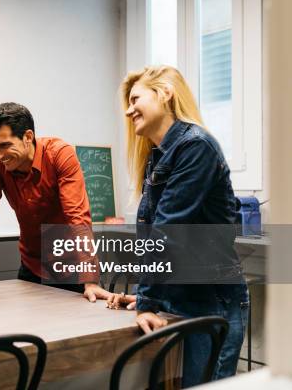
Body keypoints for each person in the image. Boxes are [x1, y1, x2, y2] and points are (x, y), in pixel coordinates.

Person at [108, 66, 248, 387]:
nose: (129, 111)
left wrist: (146, 301)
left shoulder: (195, 146)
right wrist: (150, 298)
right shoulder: (159, 154)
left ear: (165, 94)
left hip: (210, 302)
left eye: (135, 99)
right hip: (179, 298)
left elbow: (168, 232)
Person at [0, 102, 111, 301]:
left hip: (73, 268)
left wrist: (90, 278)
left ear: (28, 137)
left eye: (4, 145)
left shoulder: (60, 155)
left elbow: (77, 217)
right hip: (31, 267)